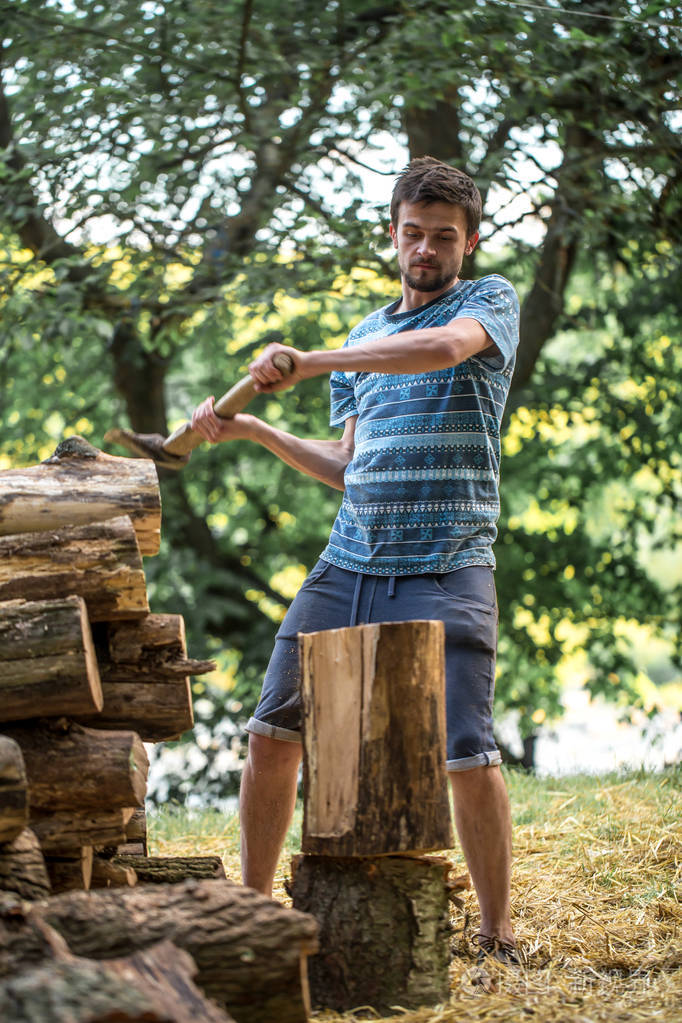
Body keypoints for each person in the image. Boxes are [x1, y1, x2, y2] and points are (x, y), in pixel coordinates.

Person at [191, 156, 520, 964]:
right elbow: (348, 464)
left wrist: (313, 361)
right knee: (272, 732)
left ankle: (497, 935)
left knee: (466, 749)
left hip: (447, 561)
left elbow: (440, 349)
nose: (426, 248)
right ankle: (255, 917)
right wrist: (256, 429)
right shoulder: (363, 335)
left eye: (444, 236)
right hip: (350, 560)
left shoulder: (488, 303)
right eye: (413, 233)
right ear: (393, 235)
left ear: (469, 242)